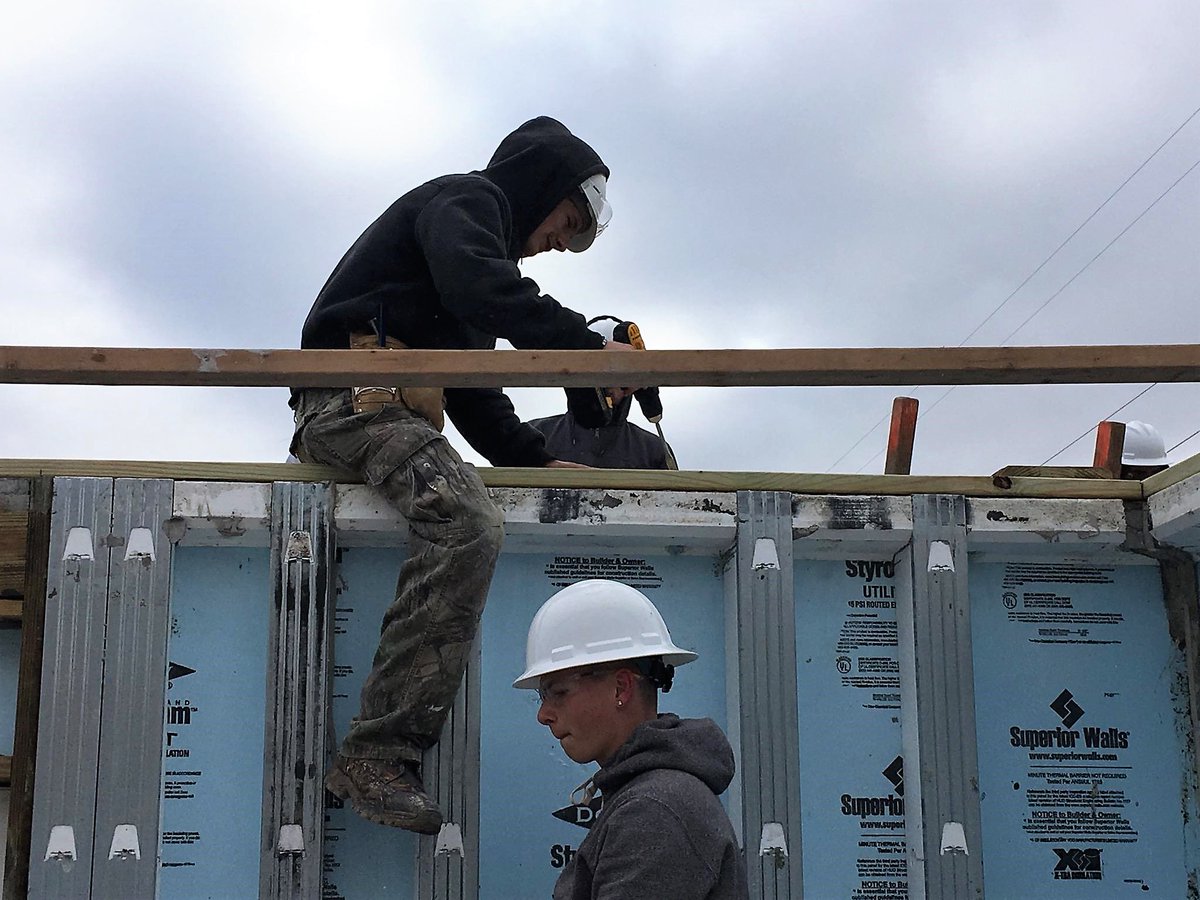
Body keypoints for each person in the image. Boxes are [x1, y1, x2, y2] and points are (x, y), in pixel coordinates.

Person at [290, 117, 636, 834]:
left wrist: (535, 459)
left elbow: (475, 392)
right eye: (563, 223)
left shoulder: (468, 274)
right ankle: (376, 754)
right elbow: (483, 288)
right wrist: (585, 341)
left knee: (468, 511)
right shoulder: (464, 203)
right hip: (349, 401)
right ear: (540, 187)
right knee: (467, 523)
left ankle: (376, 750)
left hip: (391, 409)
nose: (556, 245)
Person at [514, 579, 748, 899]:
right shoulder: (648, 796)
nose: (544, 714)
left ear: (621, 688)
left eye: (558, 692)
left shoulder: (655, 810)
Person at [528, 316, 677, 469]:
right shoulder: (532, 439)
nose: (616, 392)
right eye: (603, 377)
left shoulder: (653, 451)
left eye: (622, 381)